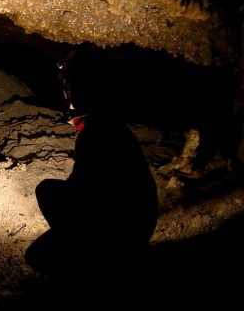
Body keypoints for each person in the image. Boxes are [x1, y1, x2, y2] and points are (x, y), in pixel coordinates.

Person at [24, 46, 159, 276]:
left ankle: (95, 264)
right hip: (137, 223)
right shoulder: (110, 122)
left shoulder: (97, 131)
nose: (68, 92)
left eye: (70, 85)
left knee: (39, 247)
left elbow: (86, 192)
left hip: (120, 231)